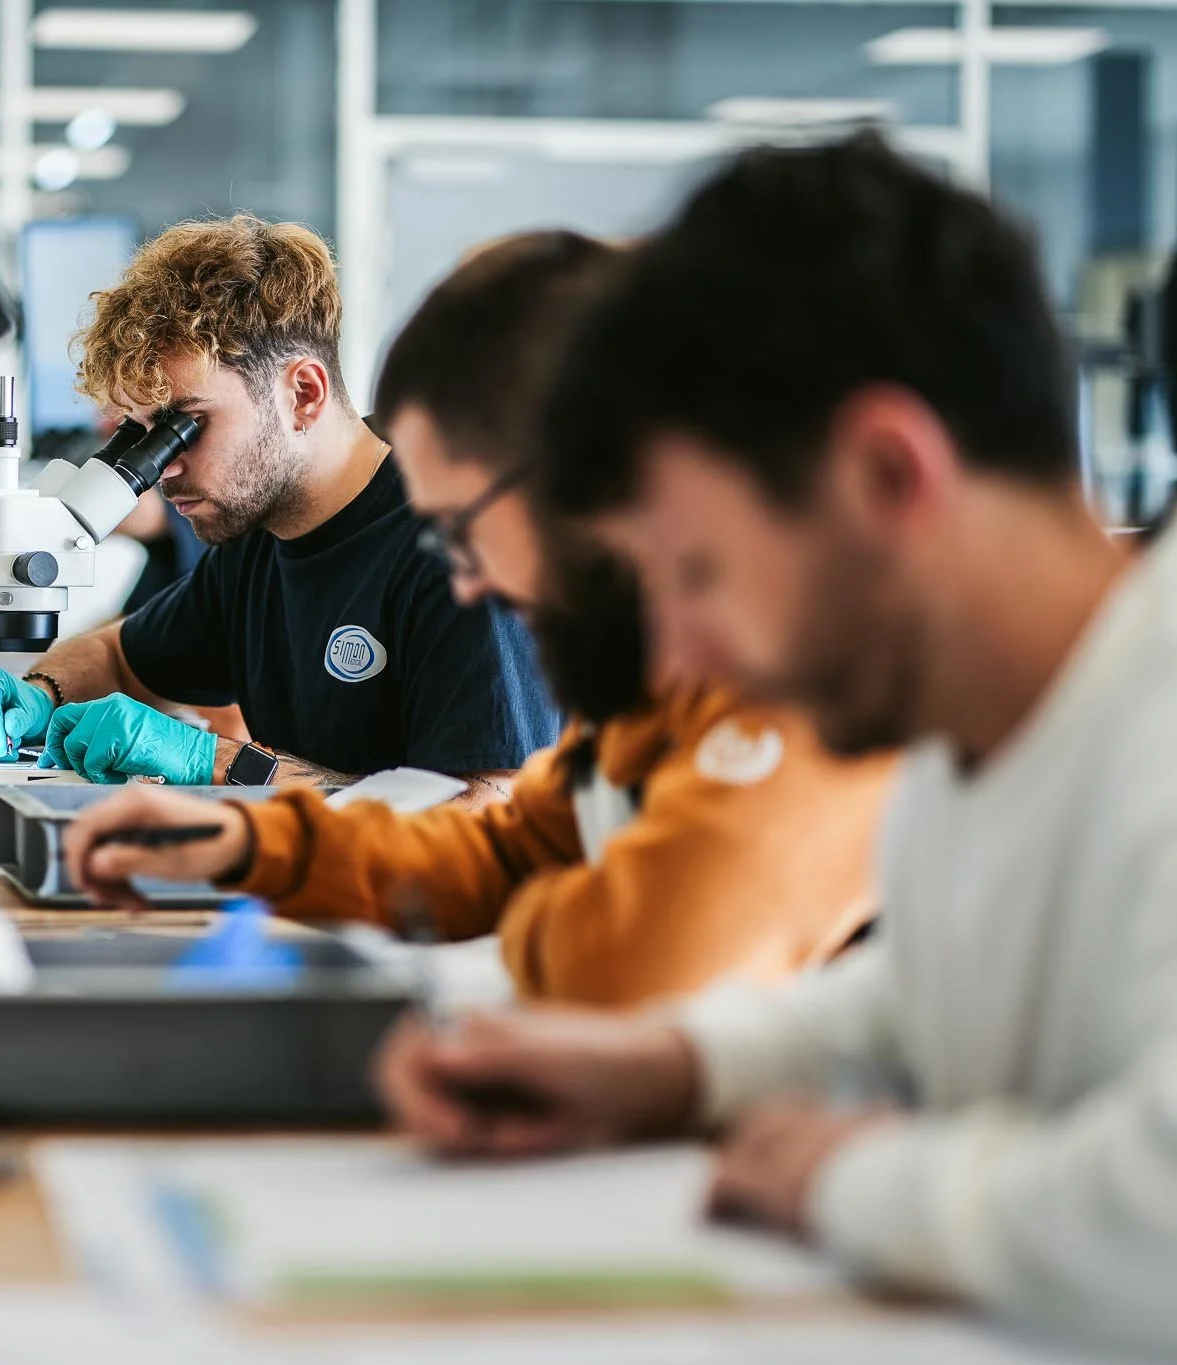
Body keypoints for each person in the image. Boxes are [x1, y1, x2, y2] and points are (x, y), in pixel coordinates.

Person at [372, 134, 1177, 1354]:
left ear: (883, 475)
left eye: (695, 570)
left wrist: (846, 1183)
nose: (681, 658)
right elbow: (916, 1009)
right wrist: (669, 1065)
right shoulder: (964, 745)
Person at [60, 233, 889, 1007]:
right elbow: (504, 854)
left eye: (463, 525)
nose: (461, 579)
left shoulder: (804, 687)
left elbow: (633, 965)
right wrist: (252, 846)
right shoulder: (643, 685)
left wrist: (524, 914)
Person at [0, 214, 560, 799]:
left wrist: (217, 764)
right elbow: (115, 656)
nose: (164, 468)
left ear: (304, 394)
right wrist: (38, 694)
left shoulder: (459, 540)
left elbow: (494, 814)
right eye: (144, 436)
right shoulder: (257, 535)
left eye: (185, 427)